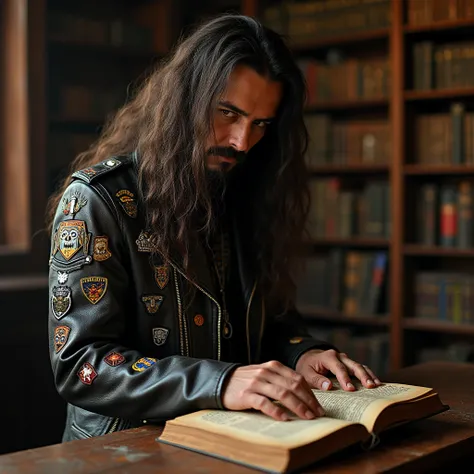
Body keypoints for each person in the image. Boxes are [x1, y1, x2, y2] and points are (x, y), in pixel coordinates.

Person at [46, 13, 381, 442]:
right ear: (185, 101)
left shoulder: (243, 190)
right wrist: (220, 382)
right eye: (228, 113)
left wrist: (302, 352)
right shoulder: (97, 200)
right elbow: (81, 364)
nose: (242, 141)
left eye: (261, 123)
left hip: (237, 438)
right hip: (123, 447)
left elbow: (269, 319)